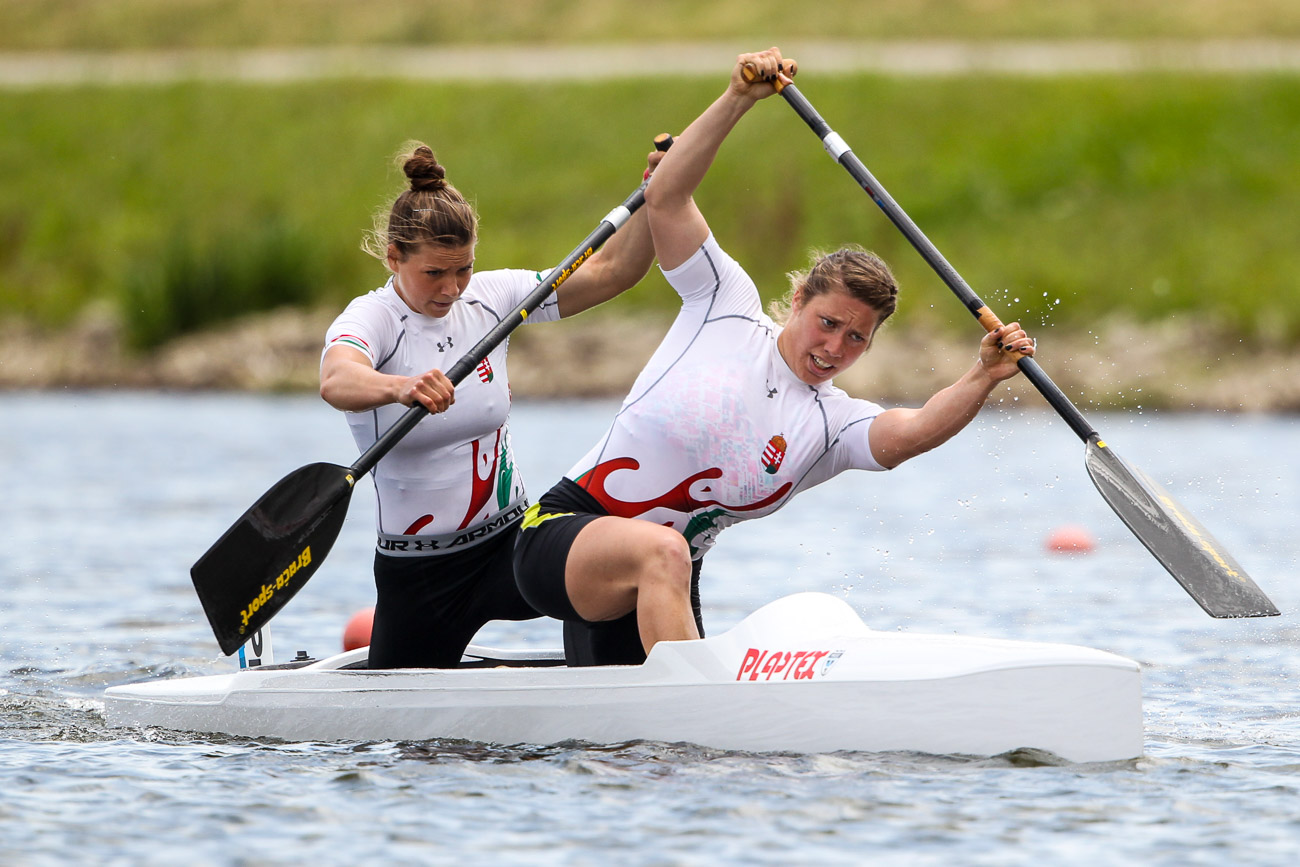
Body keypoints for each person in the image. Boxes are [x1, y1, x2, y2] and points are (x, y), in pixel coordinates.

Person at [512, 48, 1036, 666]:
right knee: (665, 555)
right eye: (828, 324)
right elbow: (668, 199)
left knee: (637, 755)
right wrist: (738, 96)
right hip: (562, 536)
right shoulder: (724, 305)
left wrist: (983, 376)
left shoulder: (829, 423)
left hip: (661, 578)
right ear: (796, 300)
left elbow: (912, 432)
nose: (835, 349)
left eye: (857, 339)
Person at [320, 141, 663, 668]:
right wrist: (399, 387)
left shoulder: (495, 298)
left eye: (463, 269)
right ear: (394, 258)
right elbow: (337, 378)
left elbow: (614, 272)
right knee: (416, 743)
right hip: (423, 573)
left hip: (514, 545)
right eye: (434, 273)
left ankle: (615, 690)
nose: (453, 288)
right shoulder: (374, 318)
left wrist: (656, 194)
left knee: (617, 570)